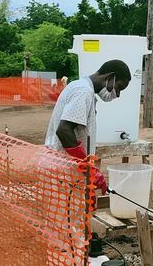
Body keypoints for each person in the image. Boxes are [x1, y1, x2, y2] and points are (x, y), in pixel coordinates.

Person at [44, 59, 131, 193]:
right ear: (110, 77)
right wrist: (88, 169)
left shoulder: (83, 89)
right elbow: (64, 130)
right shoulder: (83, 91)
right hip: (63, 172)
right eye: (118, 88)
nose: (117, 95)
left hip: (67, 172)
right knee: (68, 214)